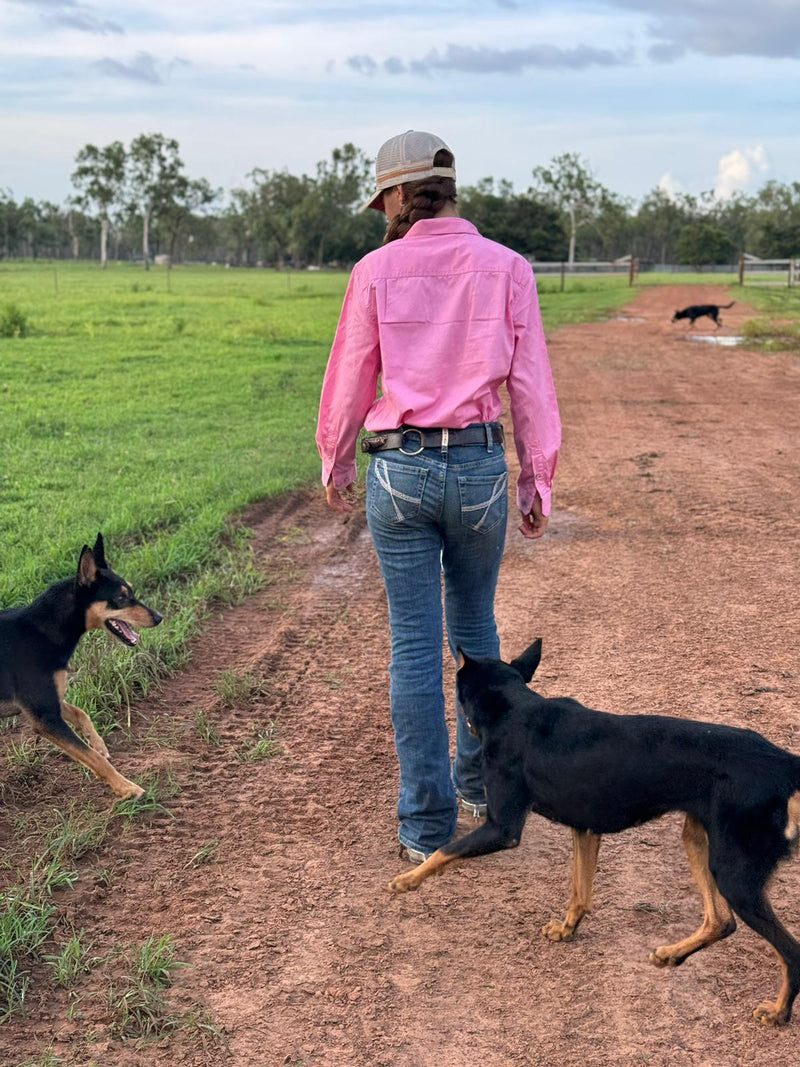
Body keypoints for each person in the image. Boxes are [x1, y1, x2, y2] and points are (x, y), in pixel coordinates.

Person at [316, 130, 561, 863]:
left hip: (402, 469)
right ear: (449, 190)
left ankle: (425, 824)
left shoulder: (375, 270)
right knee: (476, 633)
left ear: (396, 195)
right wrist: (535, 476)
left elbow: (353, 370)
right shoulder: (508, 267)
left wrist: (335, 459)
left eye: (381, 200)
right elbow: (530, 382)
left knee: (415, 649)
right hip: (481, 466)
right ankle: (485, 785)